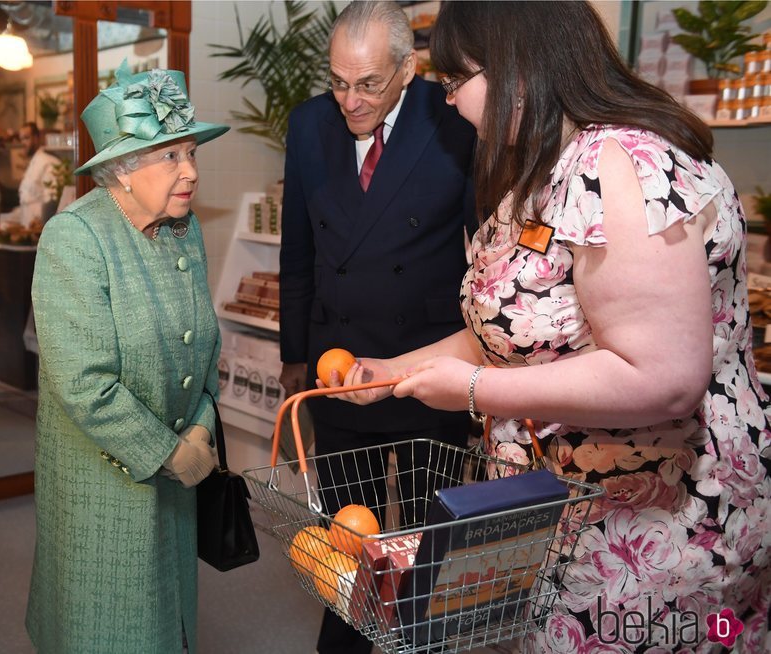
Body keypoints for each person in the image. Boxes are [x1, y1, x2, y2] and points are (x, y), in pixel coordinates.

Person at [338, 2, 771, 651]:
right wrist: (394, 373)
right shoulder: (552, 167)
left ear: (516, 66)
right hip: (574, 508)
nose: (450, 102)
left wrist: (476, 391)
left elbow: (662, 377)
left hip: (660, 524)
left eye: (458, 81)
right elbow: (509, 330)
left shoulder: (616, 163)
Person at [278, 2, 476, 651]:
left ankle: (421, 643)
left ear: (408, 68)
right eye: (338, 81)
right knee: (345, 537)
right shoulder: (308, 125)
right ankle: (344, 642)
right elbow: (297, 249)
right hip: (340, 364)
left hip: (429, 366)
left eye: (367, 83)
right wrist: (293, 354)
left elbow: (483, 243)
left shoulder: (452, 117)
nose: (350, 100)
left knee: (427, 546)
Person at [24, 65, 229, 654]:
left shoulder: (184, 229)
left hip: (179, 469)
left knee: (165, 621)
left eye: (191, 151)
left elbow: (205, 345)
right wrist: (169, 451)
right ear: (121, 170)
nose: (191, 170)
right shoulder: (74, 238)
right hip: (104, 482)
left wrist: (200, 425)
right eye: (170, 156)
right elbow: (84, 384)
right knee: (107, 624)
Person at [16, 121, 60, 229]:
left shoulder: (48, 162)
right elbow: (26, 204)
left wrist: (40, 226)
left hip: (41, 231)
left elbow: (51, 202)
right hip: (26, 229)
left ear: (37, 138)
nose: (23, 143)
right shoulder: (32, 164)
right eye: (21, 139)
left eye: (26, 138)